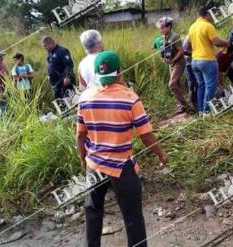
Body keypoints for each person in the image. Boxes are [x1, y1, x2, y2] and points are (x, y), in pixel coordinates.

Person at [77, 51, 169, 247]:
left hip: (94, 164)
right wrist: (161, 154)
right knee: (132, 216)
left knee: (93, 212)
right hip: (122, 168)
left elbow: (80, 135)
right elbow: (145, 135)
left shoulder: (85, 97)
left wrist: (83, 159)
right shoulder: (130, 98)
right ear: (119, 72)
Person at [188, 6, 230, 115]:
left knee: (201, 86)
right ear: (206, 14)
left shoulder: (192, 26)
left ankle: (201, 111)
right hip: (207, 61)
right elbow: (216, 42)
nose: (211, 16)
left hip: (195, 61)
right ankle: (207, 112)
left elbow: (188, 44)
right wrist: (227, 43)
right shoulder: (207, 26)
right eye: (210, 14)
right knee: (210, 87)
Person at [156, 17, 190, 114]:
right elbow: (164, 50)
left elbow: (181, 51)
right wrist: (163, 58)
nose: (161, 30)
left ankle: (185, 106)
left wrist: (173, 60)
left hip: (179, 63)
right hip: (171, 64)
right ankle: (181, 106)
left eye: (162, 28)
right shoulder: (163, 37)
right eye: (160, 28)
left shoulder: (175, 36)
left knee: (172, 84)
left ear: (169, 27)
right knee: (177, 85)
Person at [183, 36, 198, 109]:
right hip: (188, 63)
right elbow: (183, 51)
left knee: (198, 83)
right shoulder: (188, 39)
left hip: (196, 62)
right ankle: (193, 104)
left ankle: (197, 102)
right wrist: (194, 53)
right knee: (192, 84)